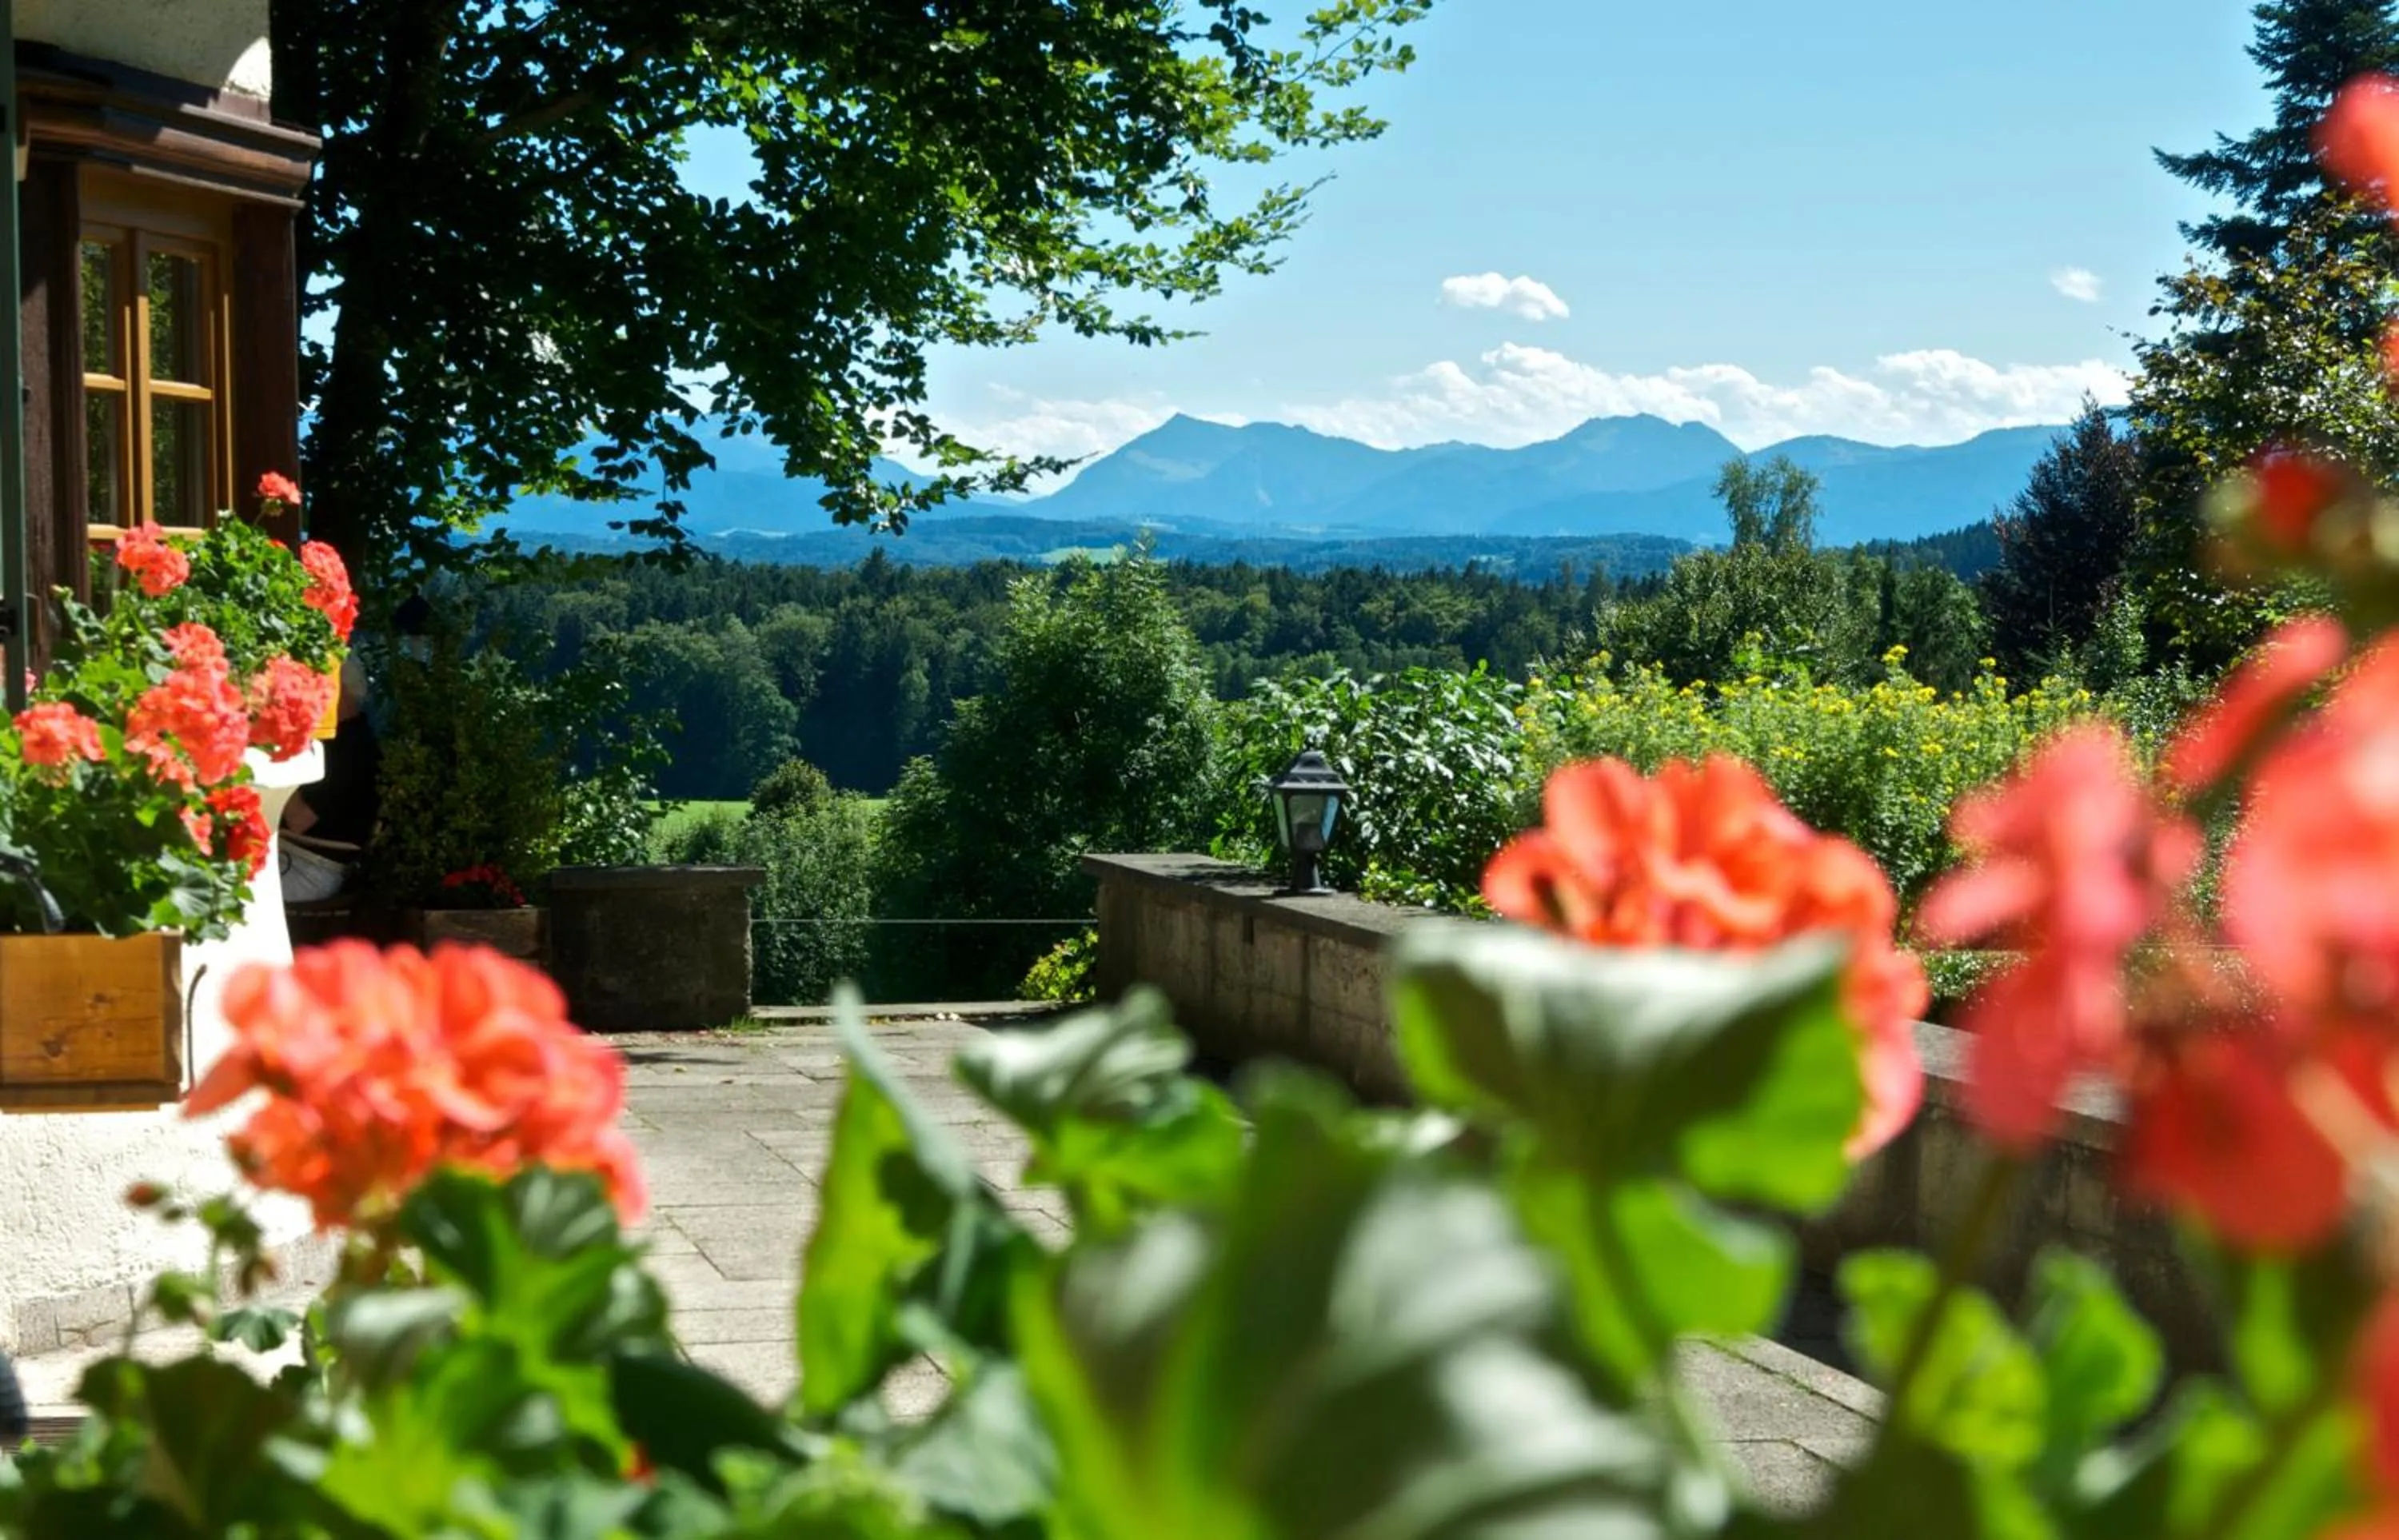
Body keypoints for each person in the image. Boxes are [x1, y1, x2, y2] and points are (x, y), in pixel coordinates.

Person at [281, 654, 380, 903]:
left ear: (339, 690)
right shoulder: (350, 738)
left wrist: (276, 753)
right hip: (298, 857)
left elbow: (299, 819)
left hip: (310, 868)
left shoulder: (349, 749)